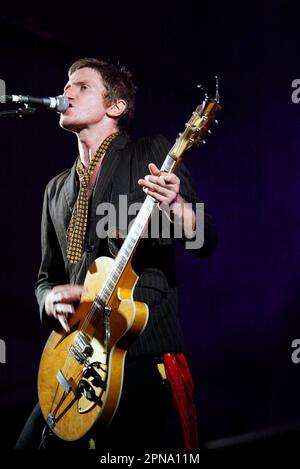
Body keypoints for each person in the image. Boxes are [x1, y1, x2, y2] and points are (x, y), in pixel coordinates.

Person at [15, 58, 218, 450]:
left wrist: (176, 206)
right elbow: (45, 277)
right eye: (66, 84)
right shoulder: (55, 190)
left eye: (81, 86)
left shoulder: (151, 152)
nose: (66, 92)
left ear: (116, 106)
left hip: (139, 351)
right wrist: (50, 299)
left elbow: (206, 239)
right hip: (75, 356)